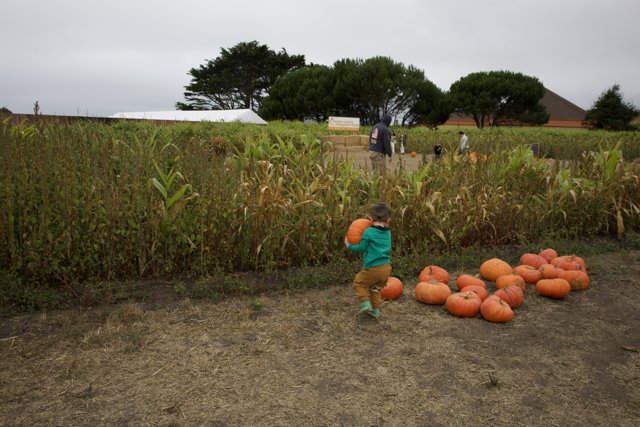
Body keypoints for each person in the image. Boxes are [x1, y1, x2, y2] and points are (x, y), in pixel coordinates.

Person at [344, 203, 392, 319]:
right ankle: (375, 311)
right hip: (386, 268)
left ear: (370, 219)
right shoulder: (388, 233)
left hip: (373, 267)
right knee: (375, 289)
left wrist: (349, 245)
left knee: (359, 282)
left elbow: (362, 248)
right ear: (388, 220)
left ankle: (365, 303)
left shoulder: (368, 232)